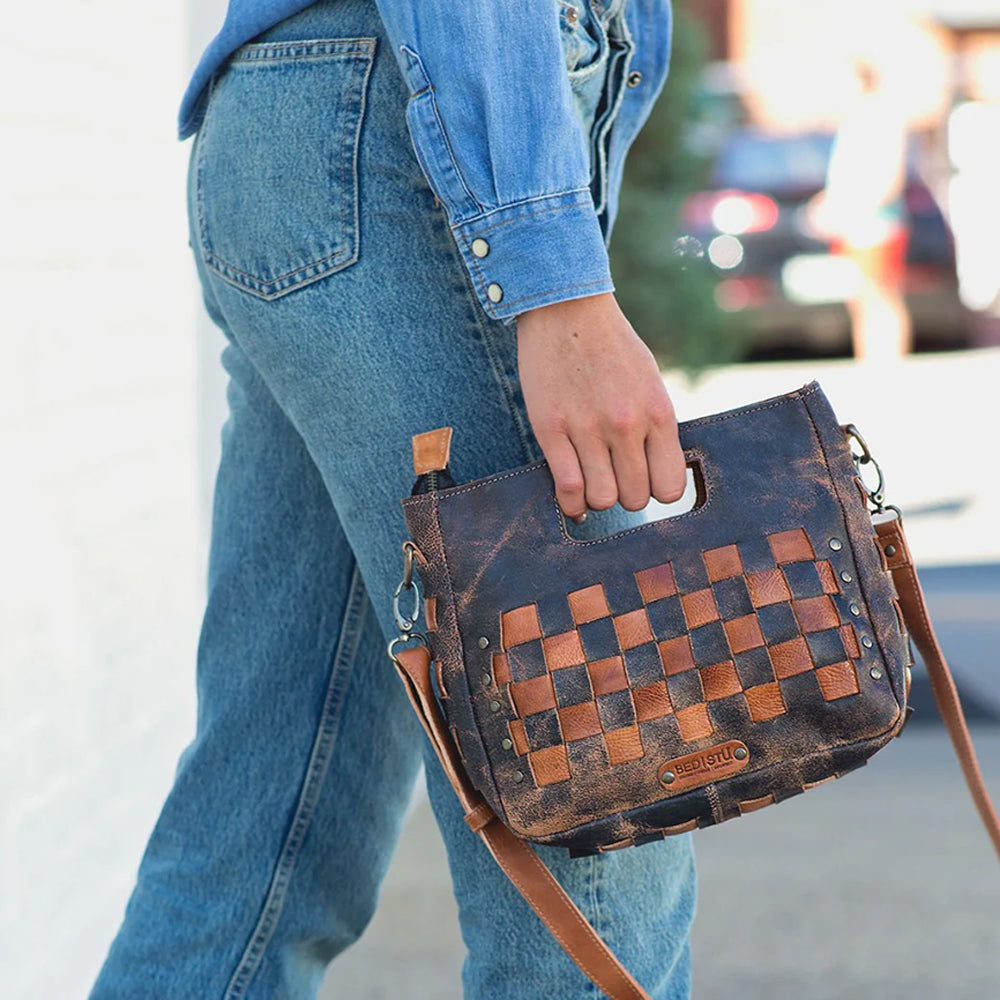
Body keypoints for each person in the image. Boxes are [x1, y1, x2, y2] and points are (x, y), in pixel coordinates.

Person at [89, 1, 696, 997]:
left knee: (274, 824)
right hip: (404, 139)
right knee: (597, 830)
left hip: (330, 137)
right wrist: (554, 281)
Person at [809, 59, 912, 362]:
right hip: (853, 222)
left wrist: (854, 209)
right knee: (860, 296)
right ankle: (870, 359)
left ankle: (887, 361)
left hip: (875, 222)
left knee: (880, 293)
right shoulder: (854, 118)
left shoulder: (879, 115)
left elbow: (889, 177)